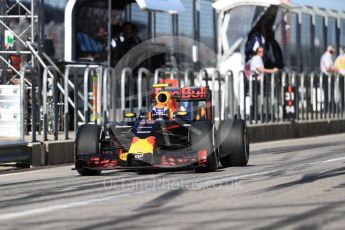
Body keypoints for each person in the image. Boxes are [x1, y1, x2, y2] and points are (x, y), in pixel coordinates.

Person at [320, 45, 337, 112]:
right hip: (327, 77)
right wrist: (336, 70)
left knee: (327, 94)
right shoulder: (328, 56)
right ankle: (328, 109)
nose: (334, 51)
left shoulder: (324, 56)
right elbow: (327, 68)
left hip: (326, 77)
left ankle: (328, 108)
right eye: (333, 50)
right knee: (329, 94)